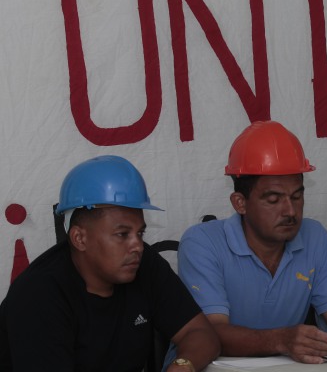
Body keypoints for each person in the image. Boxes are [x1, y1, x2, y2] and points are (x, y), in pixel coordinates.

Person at [172, 121, 327, 365]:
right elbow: (210, 333)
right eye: (273, 199)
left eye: (297, 196)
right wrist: (281, 340)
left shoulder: (314, 236)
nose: (290, 210)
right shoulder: (203, 242)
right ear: (240, 203)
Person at [0, 155, 219, 372]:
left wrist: (182, 366)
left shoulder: (145, 263)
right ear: (79, 238)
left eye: (140, 232)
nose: (138, 246)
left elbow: (200, 333)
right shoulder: (39, 293)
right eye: (122, 234)